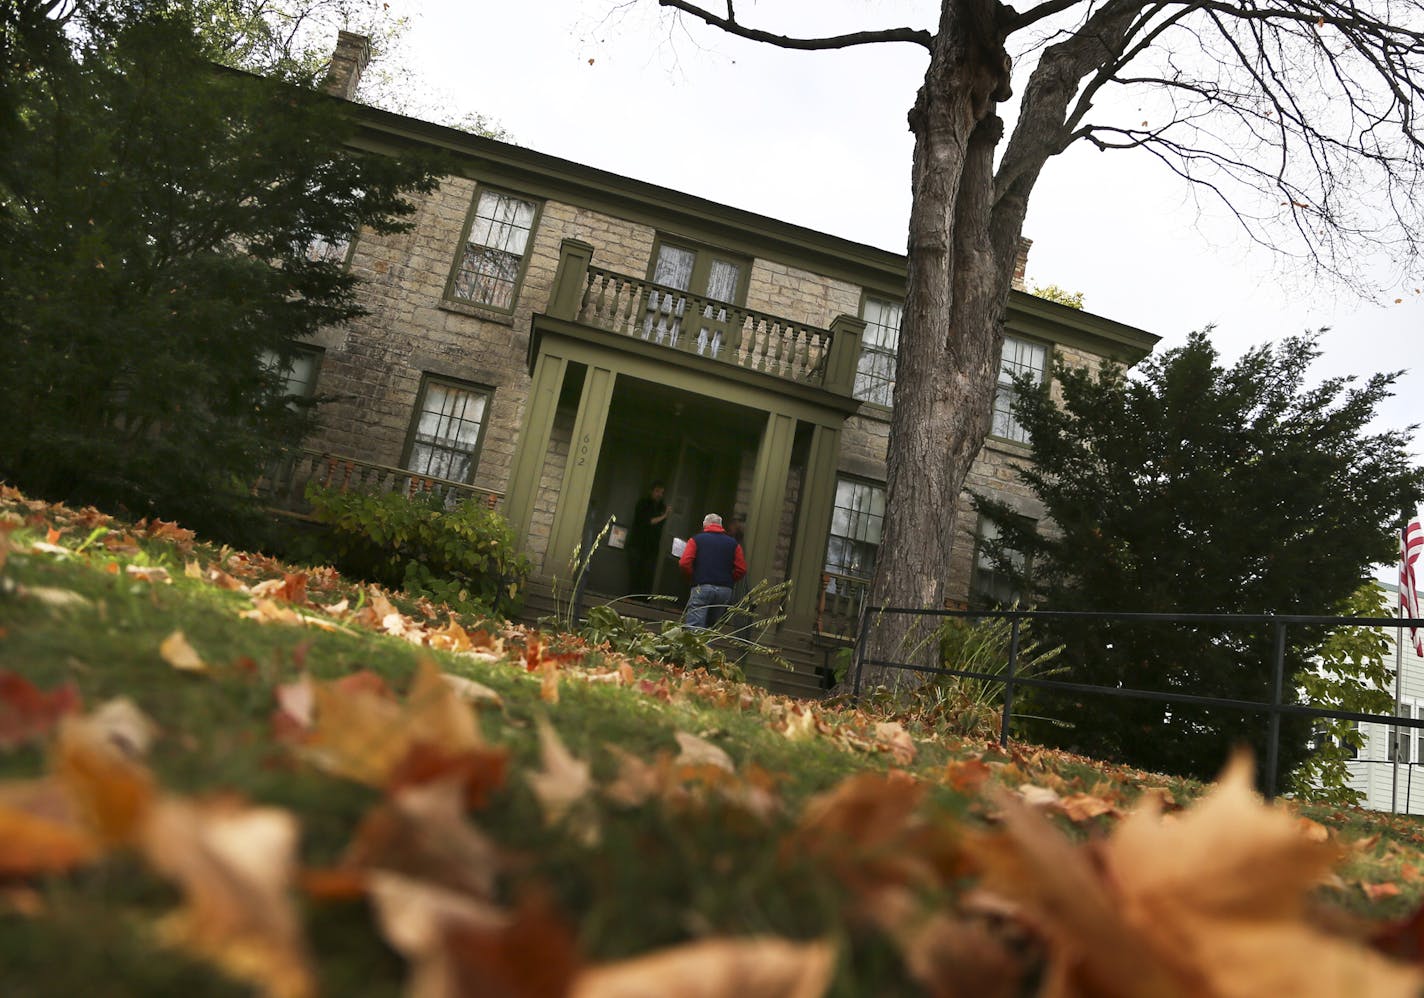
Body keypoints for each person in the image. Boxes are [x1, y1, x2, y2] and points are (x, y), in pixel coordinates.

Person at [678, 512, 747, 629]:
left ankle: (694, 647)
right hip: (724, 591)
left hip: (702, 586)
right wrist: (728, 580)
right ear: (721, 526)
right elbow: (741, 569)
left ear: (705, 525)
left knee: (694, 627)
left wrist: (693, 577)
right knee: (710, 629)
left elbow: (684, 563)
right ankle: (707, 647)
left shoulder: (696, 540)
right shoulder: (734, 544)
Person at [626, 480, 669, 596]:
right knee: (635, 572)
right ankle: (631, 596)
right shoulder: (643, 504)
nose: (659, 494)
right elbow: (648, 521)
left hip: (652, 546)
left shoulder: (661, 506)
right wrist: (664, 516)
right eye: (657, 491)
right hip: (638, 543)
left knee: (647, 574)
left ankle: (642, 598)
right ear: (652, 491)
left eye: (662, 492)